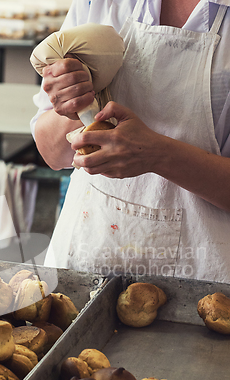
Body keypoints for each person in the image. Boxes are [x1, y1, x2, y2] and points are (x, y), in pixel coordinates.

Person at [30, 0, 230, 283]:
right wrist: (78, 97)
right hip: (84, 265)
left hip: (201, 286)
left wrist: (157, 155)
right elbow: (52, 152)